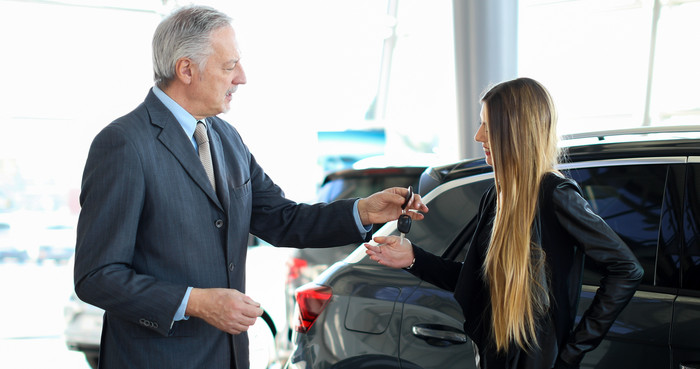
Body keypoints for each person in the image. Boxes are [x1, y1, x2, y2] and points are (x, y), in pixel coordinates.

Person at [73, 5, 428, 369]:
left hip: (228, 357)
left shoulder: (225, 137)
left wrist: (363, 211)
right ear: (186, 69)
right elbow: (97, 277)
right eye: (229, 66)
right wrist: (195, 302)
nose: (241, 77)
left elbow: (281, 218)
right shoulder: (123, 144)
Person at [365, 77, 643, 369]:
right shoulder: (496, 197)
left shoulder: (555, 194)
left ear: (516, 129)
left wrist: (571, 352)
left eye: (488, 125)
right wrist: (413, 258)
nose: (478, 136)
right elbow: (478, 281)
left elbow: (627, 269)